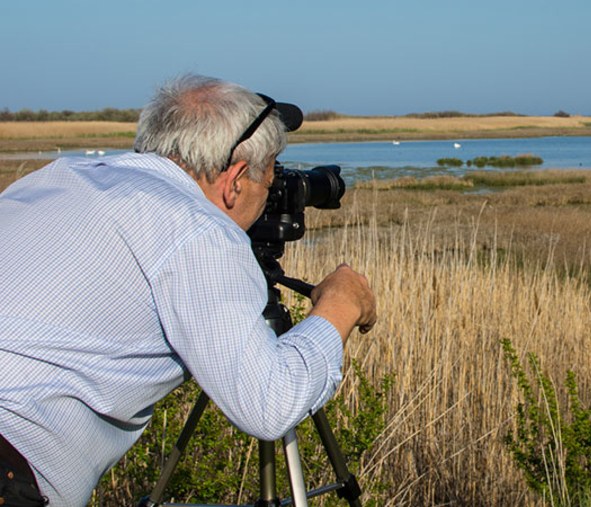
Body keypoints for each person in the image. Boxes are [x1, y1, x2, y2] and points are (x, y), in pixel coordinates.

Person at [0, 74, 377, 506]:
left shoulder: (55, 178)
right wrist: (340, 304)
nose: (268, 196)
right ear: (235, 180)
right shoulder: (195, 228)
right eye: (268, 182)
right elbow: (269, 404)